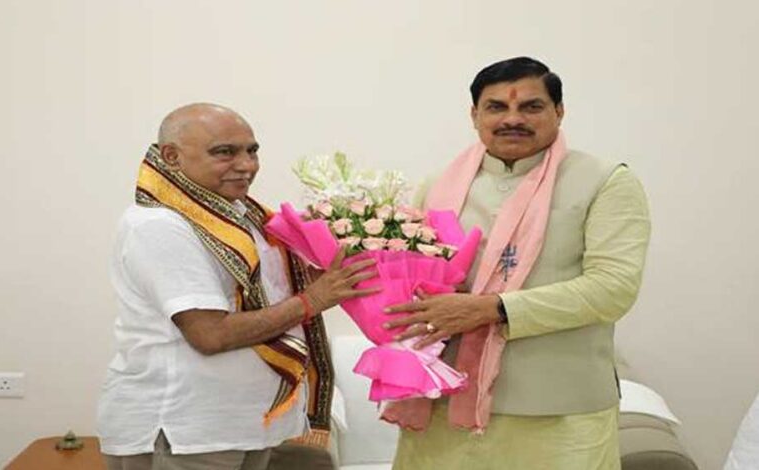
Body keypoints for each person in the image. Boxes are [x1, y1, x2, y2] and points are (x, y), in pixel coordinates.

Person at [382, 57, 651, 469]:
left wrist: (492, 309)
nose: (513, 119)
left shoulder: (604, 182)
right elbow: (406, 275)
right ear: (474, 115)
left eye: (531, 106)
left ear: (559, 111)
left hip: (558, 415)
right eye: (496, 107)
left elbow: (611, 289)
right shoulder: (438, 186)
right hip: (442, 406)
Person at [97, 103, 377, 470]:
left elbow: (260, 299)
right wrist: (313, 299)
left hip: (241, 426)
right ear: (171, 157)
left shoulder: (242, 216)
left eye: (252, 150)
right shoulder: (160, 225)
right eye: (225, 152)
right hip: (186, 431)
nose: (247, 165)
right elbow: (210, 334)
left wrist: (330, 279)